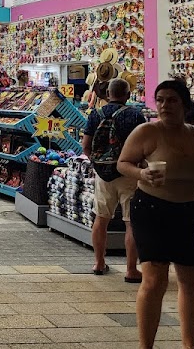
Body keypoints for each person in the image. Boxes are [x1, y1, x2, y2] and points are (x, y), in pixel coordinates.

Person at [117, 80, 194, 349]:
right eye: (160, 100)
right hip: (152, 210)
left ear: (185, 104)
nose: (164, 105)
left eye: (172, 100)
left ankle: (190, 345)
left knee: (191, 281)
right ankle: (145, 345)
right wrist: (142, 173)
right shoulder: (147, 131)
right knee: (155, 279)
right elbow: (123, 163)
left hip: (189, 210)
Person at [80, 78, 146, 282]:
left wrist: (99, 164)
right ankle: (131, 269)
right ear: (128, 95)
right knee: (131, 222)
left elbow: (85, 146)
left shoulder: (95, 114)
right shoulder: (135, 115)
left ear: (108, 94)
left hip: (103, 175)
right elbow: (144, 146)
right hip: (129, 173)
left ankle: (99, 263)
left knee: (101, 218)